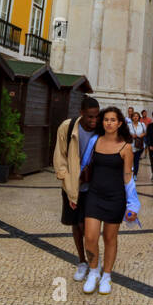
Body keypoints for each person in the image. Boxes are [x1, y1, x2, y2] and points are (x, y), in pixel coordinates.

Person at [81, 105, 133, 295]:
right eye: (106, 119)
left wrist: (133, 203)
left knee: (110, 238)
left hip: (115, 197)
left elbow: (128, 176)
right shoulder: (95, 142)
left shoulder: (126, 147)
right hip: (94, 195)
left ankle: (107, 275)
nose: (109, 123)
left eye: (113, 120)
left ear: (119, 123)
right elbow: (84, 165)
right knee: (90, 238)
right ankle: (94, 271)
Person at [52, 96, 101, 284]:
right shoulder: (67, 127)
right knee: (76, 223)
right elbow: (60, 157)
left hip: (93, 187)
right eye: (90, 117)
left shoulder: (101, 129)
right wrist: (68, 180)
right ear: (81, 114)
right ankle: (82, 261)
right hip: (72, 186)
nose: (93, 121)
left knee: (87, 226)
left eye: (96, 116)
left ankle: (93, 262)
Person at [128, 110, 146, 179]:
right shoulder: (129, 125)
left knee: (136, 160)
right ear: (132, 117)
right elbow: (126, 133)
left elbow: (145, 132)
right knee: (129, 160)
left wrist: (142, 135)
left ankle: (135, 174)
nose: (135, 117)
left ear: (139, 117)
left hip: (139, 145)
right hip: (131, 145)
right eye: (134, 116)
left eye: (137, 116)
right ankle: (128, 173)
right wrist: (131, 135)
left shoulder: (142, 124)